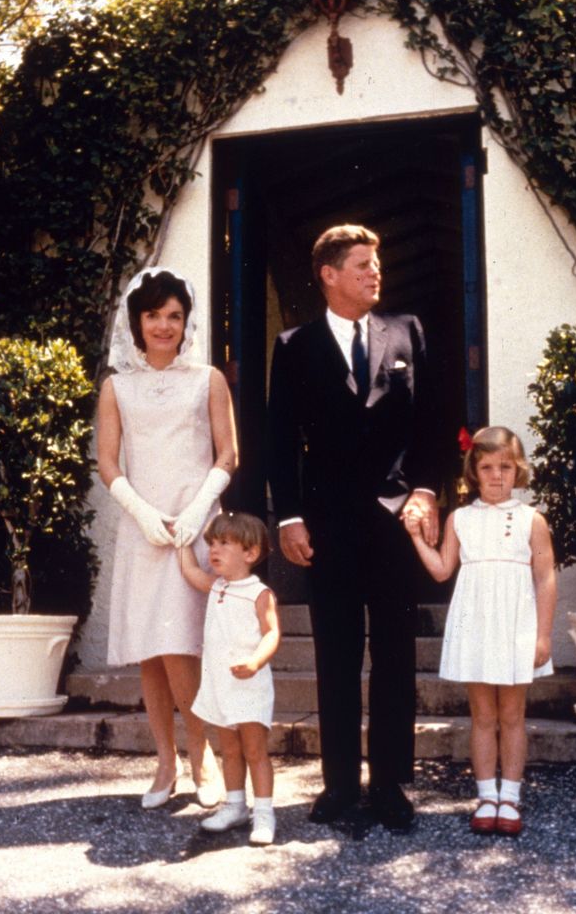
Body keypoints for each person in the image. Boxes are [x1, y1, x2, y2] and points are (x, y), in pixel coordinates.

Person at [267, 224, 442, 832]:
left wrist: (424, 490)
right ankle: (340, 784)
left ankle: (391, 784)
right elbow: (279, 438)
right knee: (336, 655)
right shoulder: (294, 346)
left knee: (394, 655)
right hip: (327, 525)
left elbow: (434, 420)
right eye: (363, 265)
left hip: (396, 522)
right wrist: (288, 515)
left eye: (377, 264)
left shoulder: (407, 333)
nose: (376, 273)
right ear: (329, 274)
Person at [97, 266, 237, 809]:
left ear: (187, 321)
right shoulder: (118, 386)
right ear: (137, 321)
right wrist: (142, 512)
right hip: (143, 532)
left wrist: (198, 510)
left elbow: (228, 453)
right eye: (153, 315)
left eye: (173, 316)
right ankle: (164, 762)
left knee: (184, 648)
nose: (163, 326)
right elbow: (109, 464)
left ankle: (202, 757)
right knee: (151, 653)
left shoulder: (208, 379)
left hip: (194, 530)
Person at [404, 426, 557, 836]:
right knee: (482, 716)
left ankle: (511, 797)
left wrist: (543, 635)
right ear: (474, 471)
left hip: (514, 627)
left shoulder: (531, 520)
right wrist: (418, 536)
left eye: (505, 467)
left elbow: (545, 578)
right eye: (487, 467)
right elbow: (440, 570)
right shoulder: (460, 519)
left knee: (512, 715)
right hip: (476, 627)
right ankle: (486, 795)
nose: (496, 476)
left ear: (518, 470)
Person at [178, 511, 280, 845]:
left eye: (224, 544)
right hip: (221, 686)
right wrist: (181, 541)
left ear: (249, 554)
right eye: (212, 544)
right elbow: (191, 571)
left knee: (254, 750)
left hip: (249, 686)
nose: (214, 551)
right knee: (230, 750)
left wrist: (254, 661)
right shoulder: (217, 585)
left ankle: (264, 813)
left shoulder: (259, 593)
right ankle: (235, 805)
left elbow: (272, 634)